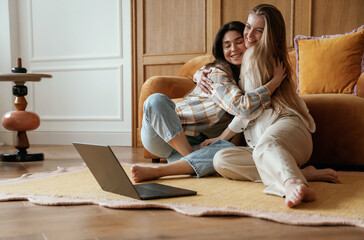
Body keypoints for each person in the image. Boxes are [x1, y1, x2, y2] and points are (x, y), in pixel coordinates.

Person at [198, 4, 341, 208]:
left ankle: (293, 183)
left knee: (265, 145)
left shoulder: (257, 56)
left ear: (270, 35)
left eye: (259, 30)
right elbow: (217, 65)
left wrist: (221, 137)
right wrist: (199, 74)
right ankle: (300, 172)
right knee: (221, 160)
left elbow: (248, 109)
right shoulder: (246, 58)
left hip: (288, 127)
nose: (249, 35)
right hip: (264, 147)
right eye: (248, 27)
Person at [131, 21, 286, 183]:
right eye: (227, 45)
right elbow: (242, 108)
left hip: (201, 143)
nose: (233, 49)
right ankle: (192, 159)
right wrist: (273, 83)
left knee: (227, 151)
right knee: (155, 100)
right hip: (164, 134)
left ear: (248, 42)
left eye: (239, 42)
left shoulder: (248, 76)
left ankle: (176, 166)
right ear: (221, 50)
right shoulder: (217, 72)